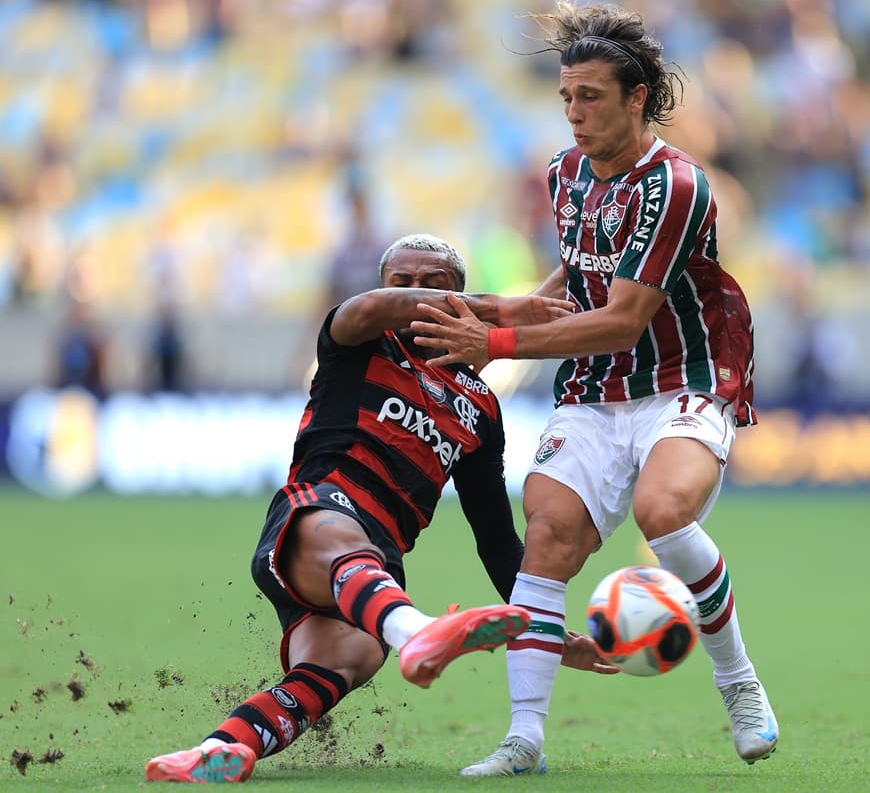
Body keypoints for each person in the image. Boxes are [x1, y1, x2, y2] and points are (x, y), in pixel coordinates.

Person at [409, 0, 778, 774]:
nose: (573, 113)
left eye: (591, 97)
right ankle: (524, 739)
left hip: (683, 376)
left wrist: (495, 343)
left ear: (636, 98)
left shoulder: (675, 185)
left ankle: (739, 683)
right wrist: (509, 307)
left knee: (663, 511)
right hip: (595, 388)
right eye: (566, 98)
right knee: (547, 537)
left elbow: (620, 319)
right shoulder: (565, 174)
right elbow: (582, 274)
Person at [145, 233, 613, 783]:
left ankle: (219, 749)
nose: (417, 293)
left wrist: (546, 630)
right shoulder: (359, 338)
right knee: (343, 536)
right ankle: (416, 633)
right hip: (315, 516)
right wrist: (505, 309)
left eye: (434, 284)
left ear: (458, 296)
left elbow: (496, 541)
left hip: (377, 570)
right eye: (403, 282)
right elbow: (372, 307)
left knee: (350, 658)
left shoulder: (482, 409)